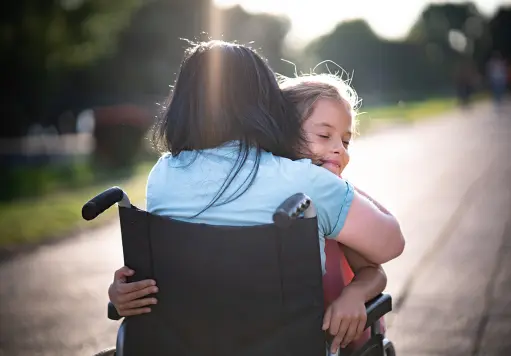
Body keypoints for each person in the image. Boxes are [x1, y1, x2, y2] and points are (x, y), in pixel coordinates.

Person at [107, 40, 404, 354]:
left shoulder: (162, 176)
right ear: (263, 103)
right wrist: (338, 184)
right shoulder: (305, 183)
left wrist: (121, 289)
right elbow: (391, 242)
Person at [279, 73, 389, 350]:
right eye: (325, 135)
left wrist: (355, 293)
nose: (340, 150)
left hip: (344, 340)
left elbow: (374, 272)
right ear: (282, 132)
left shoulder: (337, 203)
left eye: (346, 141)